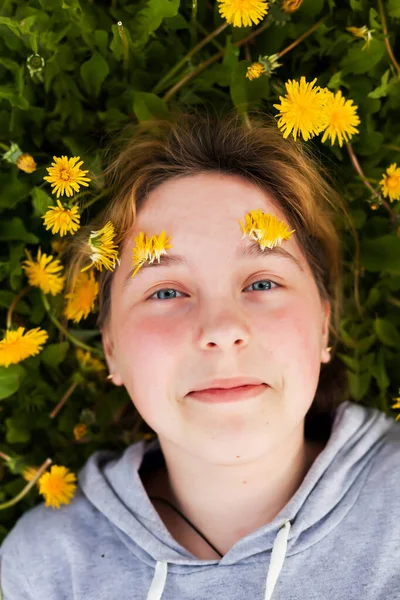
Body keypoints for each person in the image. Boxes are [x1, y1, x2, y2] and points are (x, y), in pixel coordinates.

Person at [1, 108, 400, 600]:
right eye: (165, 291)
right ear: (111, 350)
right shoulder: (44, 571)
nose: (222, 329)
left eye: (262, 281)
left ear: (323, 324)